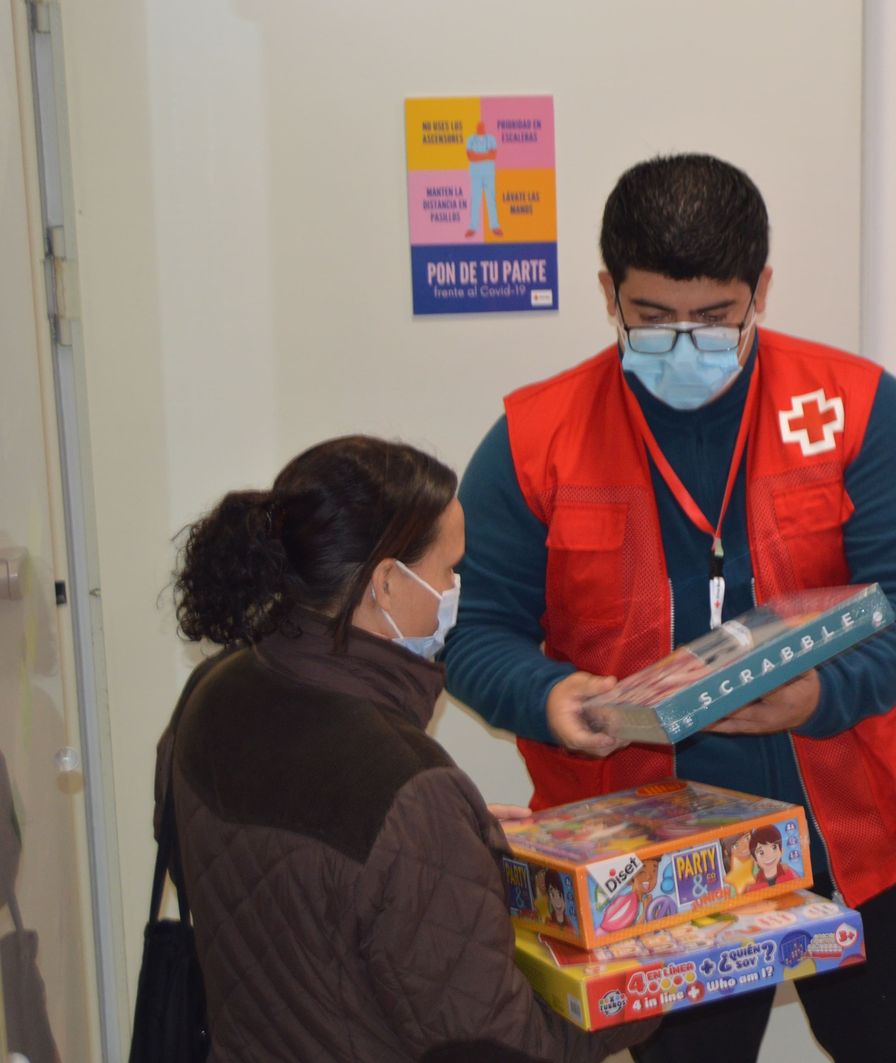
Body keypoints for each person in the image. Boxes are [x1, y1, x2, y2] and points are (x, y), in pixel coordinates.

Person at [445, 154, 896, 1062]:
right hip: (647, 874)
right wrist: (549, 696)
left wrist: (818, 695)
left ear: (760, 288)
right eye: (652, 318)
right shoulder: (536, 440)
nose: (684, 341)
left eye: (715, 317)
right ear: (608, 292)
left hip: (863, 842)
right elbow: (475, 632)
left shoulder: (858, 410)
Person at [158, 435, 650, 1062]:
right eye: (451, 569)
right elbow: (500, 1051)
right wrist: (656, 989)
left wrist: (444, 847)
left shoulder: (211, 689)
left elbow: (224, 869)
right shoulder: (406, 787)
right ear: (386, 584)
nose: (457, 589)